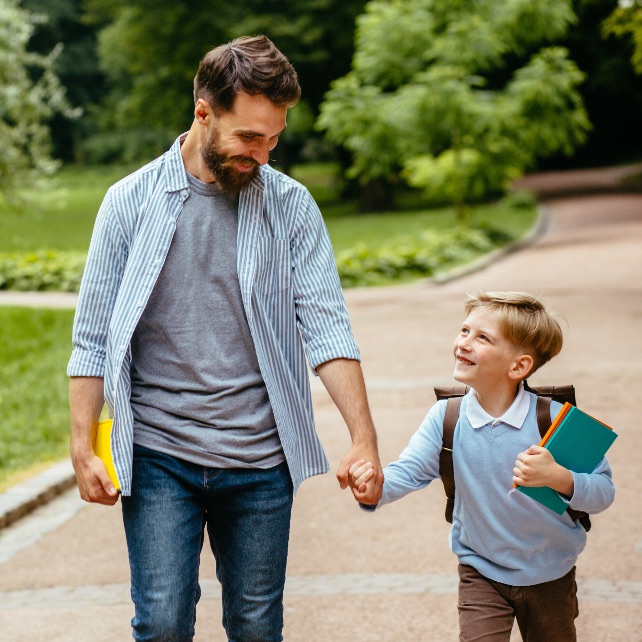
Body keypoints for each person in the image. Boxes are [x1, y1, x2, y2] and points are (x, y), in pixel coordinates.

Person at [68, 34, 383, 642]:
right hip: (161, 453)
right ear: (203, 111)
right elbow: (93, 338)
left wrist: (363, 438)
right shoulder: (127, 203)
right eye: (248, 138)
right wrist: (84, 447)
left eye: (274, 139)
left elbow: (326, 326)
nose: (263, 156)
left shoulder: (291, 207)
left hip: (262, 460)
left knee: (257, 626)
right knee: (160, 624)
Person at [350, 291, 614, 642]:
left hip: (550, 572)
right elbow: (409, 471)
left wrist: (559, 477)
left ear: (518, 366)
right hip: (481, 570)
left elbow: (603, 492)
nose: (464, 343)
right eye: (464, 331)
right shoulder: (447, 417)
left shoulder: (555, 419)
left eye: (482, 337)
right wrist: (375, 487)